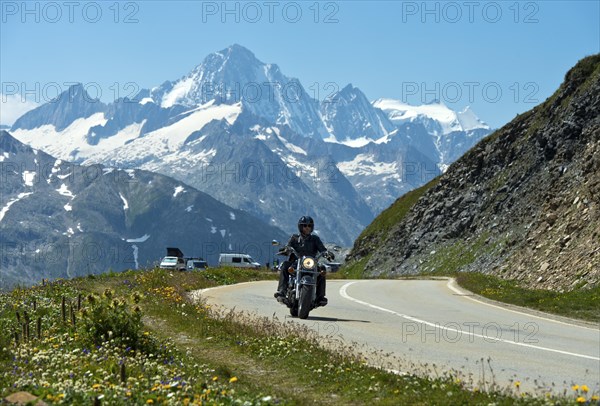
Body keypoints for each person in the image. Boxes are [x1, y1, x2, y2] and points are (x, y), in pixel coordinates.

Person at [274, 216, 334, 306]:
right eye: (305, 225)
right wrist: (286, 249)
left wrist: (326, 253)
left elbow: (322, 249)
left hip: (311, 263)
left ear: (312, 227)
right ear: (300, 227)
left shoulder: (315, 239)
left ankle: (320, 297)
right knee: (285, 265)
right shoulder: (294, 238)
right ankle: (282, 291)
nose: (307, 228)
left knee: (322, 269)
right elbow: (288, 246)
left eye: (309, 226)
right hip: (296, 263)